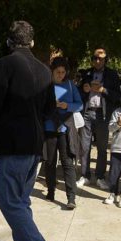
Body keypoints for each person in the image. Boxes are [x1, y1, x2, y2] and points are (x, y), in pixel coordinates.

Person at [0, 21, 58, 241]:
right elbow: (50, 109)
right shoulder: (45, 70)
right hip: (34, 145)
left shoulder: (6, 64)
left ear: (9, 42)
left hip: (13, 144)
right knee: (21, 202)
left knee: (9, 202)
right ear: (32, 42)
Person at [76, 47, 121, 190]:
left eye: (100, 58)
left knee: (102, 147)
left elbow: (118, 97)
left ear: (105, 60)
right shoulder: (87, 73)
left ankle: (100, 176)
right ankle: (85, 175)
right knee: (84, 146)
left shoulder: (112, 75)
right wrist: (83, 90)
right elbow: (78, 93)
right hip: (87, 113)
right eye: (95, 58)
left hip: (103, 114)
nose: (97, 60)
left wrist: (103, 90)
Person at [44, 56, 83, 209]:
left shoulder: (70, 85)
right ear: (52, 72)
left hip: (65, 128)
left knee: (67, 162)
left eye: (63, 72)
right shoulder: (46, 86)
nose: (60, 75)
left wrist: (67, 105)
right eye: (57, 72)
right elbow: (39, 106)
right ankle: (50, 190)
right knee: (50, 161)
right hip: (49, 127)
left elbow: (79, 105)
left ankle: (71, 197)